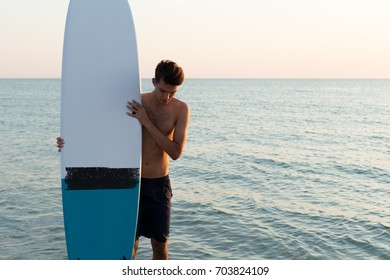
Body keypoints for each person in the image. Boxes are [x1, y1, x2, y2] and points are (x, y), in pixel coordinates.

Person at [57, 60, 190, 260]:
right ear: (154, 82)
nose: (167, 97)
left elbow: (175, 152)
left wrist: (146, 121)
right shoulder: (136, 103)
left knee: (160, 248)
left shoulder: (181, 110)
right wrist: (70, 143)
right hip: (129, 182)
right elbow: (103, 132)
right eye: (163, 90)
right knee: (128, 246)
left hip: (158, 184)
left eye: (173, 92)